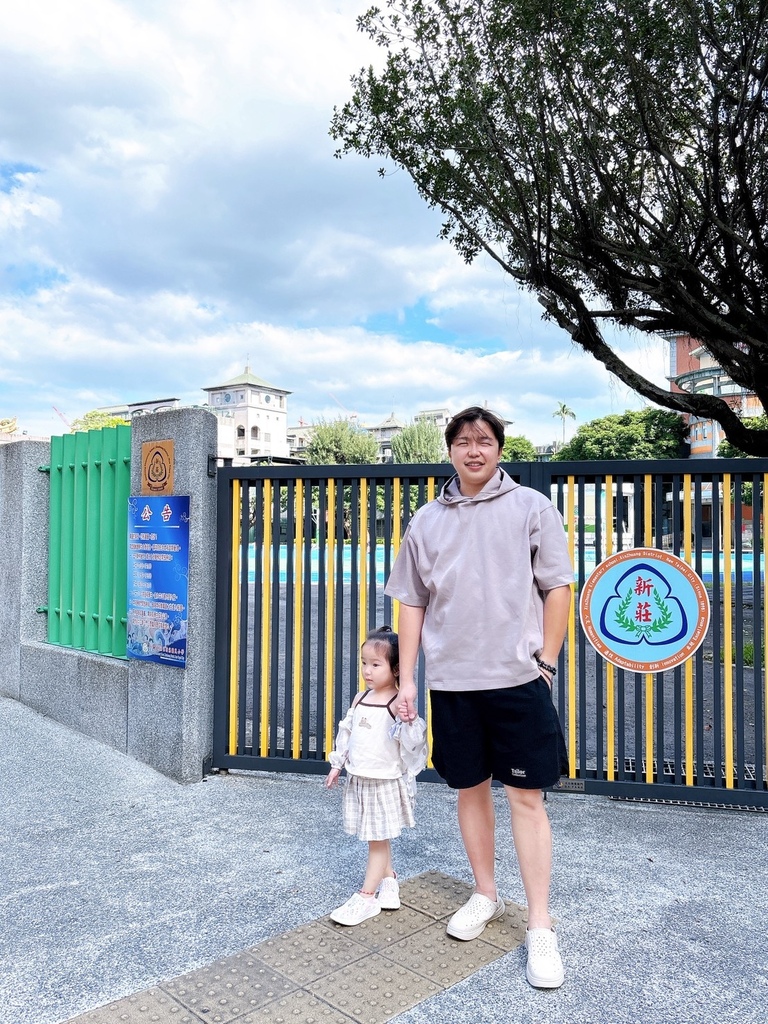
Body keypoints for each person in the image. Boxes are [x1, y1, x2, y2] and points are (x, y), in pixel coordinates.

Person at [385, 406, 573, 989]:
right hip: (453, 682)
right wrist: (408, 679)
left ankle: (539, 923)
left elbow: (558, 587)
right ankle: (485, 893)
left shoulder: (531, 508)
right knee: (468, 788)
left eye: (484, 441)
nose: (474, 450)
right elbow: (411, 602)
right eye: (463, 441)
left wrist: (547, 660)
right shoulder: (426, 522)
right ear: (450, 450)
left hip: (518, 679)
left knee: (526, 797)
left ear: (499, 450)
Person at [326, 625, 428, 926]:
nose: (367, 671)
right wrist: (337, 764)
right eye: (364, 663)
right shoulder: (360, 698)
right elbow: (347, 733)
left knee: (376, 839)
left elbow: (413, 743)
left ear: (396, 669)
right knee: (377, 837)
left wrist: (409, 722)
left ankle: (366, 896)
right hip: (360, 778)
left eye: (375, 664)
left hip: (384, 781)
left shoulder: (396, 702)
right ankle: (390, 881)